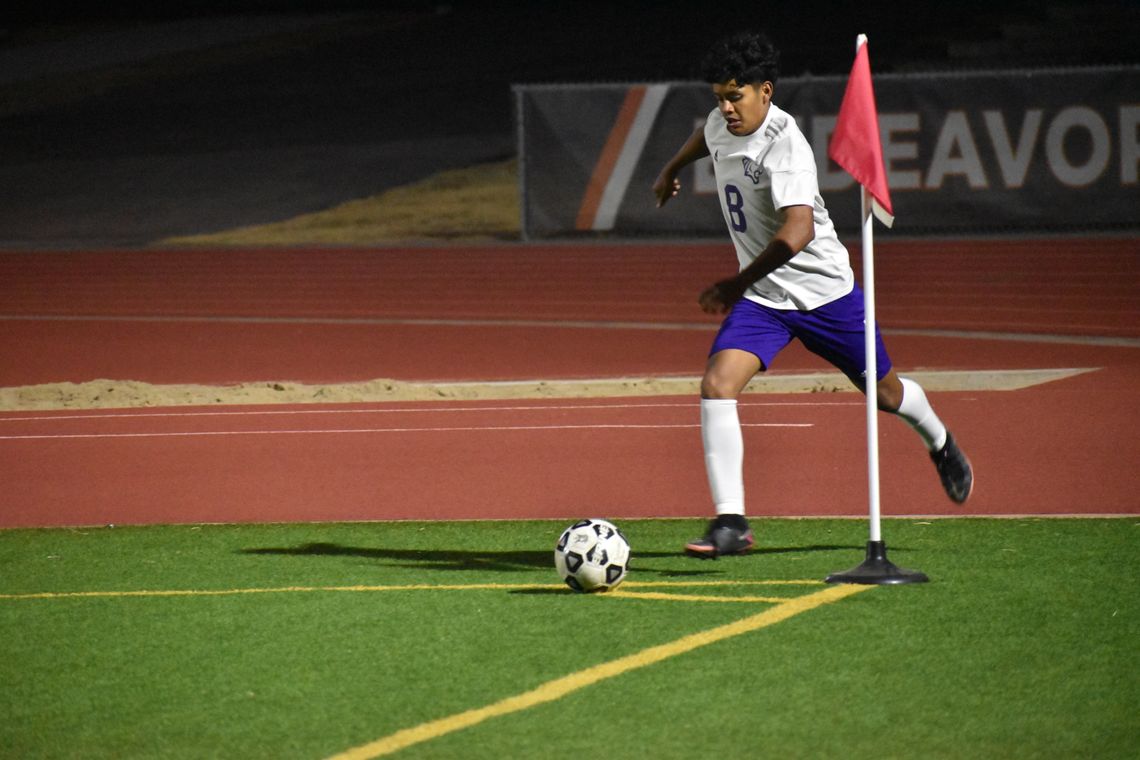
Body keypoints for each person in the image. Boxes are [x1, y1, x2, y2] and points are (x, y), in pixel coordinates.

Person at [652, 31, 973, 558]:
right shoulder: (719, 123)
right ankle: (731, 522)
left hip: (826, 295)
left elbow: (797, 229)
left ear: (766, 91)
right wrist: (670, 170)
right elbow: (704, 138)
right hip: (764, 299)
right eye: (719, 96)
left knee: (887, 395)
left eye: (736, 95)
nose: (726, 107)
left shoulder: (786, 144)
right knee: (716, 385)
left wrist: (735, 283)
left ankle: (941, 442)